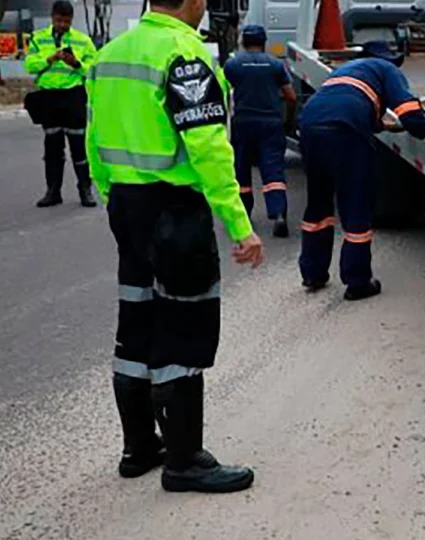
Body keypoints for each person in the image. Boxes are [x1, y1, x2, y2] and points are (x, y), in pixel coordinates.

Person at [85, 0, 264, 493]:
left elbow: (93, 137)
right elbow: (207, 146)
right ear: (189, 1)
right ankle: (184, 460)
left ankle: (139, 447)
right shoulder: (184, 53)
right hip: (174, 210)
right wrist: (238, 222)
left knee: (137, 322)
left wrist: (111, 197)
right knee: (184, 327)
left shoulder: (110, 54)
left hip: (128, 204)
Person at [297, 41, 425, 300]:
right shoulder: (387, 70)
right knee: (356, 204)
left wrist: (380, 126)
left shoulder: (345, 70)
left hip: (310, 125)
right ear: (392, 61)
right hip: (346, 131)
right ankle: (357, 281)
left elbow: (349, 102)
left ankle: (312, 272)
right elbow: (408, 111)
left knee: (318, 203)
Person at [223, 25, 297, 238]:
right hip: (270, 123)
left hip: (243, 123)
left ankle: (244, 214)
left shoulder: (233, 64)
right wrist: (289, 120)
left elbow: (220, 91)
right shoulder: (275, 64)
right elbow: (291, 96)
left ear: (243, 42)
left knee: (242, 167)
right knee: (273, 169)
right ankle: (278, 213)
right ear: (264, 42)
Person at [23, 0, 97, 208]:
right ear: (52, 17)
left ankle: (85, 191)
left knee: (79, 148)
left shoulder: (82, 41)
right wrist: (50, 59)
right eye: (59, 20)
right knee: (52, 148)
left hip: (73, 97)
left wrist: (76, 63)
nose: (63, 24)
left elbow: (93, 70)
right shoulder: (39, 38)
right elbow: (29, 65)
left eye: (66, 21)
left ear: (72, 20)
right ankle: (53, 192)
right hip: (49, 98)